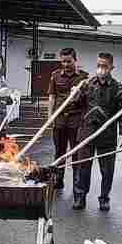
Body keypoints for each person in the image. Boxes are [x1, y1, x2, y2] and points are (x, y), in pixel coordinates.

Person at [71, 53, 122, 212]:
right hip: (86, 133)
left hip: (107, 135)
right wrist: (75, 95)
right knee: (83, 167)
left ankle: (104, 198)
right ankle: (80, 197)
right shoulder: (86, 85)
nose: (101, 69)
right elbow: (76, 106)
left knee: (107, 170)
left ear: (111, 68)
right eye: (99, 65)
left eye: (104, 66)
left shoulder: (118, 88)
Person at [48, 47, 89, 190]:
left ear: (75, 60)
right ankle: (58, 180)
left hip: (76, 119)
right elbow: (52, 96)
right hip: (59, 119)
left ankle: (77, 184)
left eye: (69, 61)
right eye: (63, 61)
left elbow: (87, 101)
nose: (65, 64)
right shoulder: (55, 75)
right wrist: (50, 117)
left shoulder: (84, 77)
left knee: (76, 153)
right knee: (59, 152)